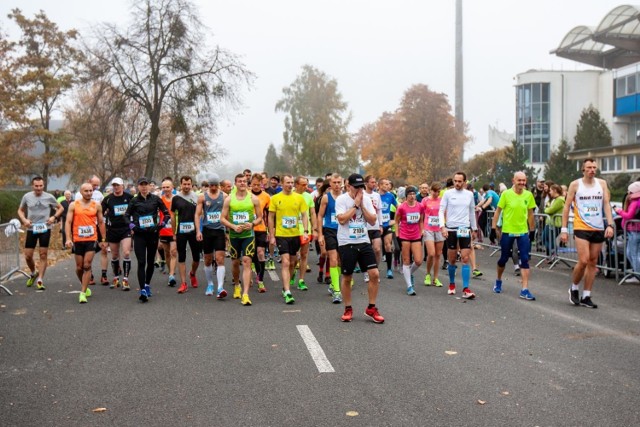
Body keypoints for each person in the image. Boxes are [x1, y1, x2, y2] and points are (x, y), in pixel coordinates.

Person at [561, 158, 614, 309]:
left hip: (597, 227)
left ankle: (586, 295)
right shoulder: (575, 184)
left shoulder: (601, 183)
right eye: (589, 167)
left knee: (592, 262)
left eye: (594, 167)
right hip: (581, 226)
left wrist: (609, 224)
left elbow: (606, 205)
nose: (592, 170)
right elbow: (566, 207)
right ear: (583, 169)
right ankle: (574, 287)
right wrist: (564, 229)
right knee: (583, 260)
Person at [336, 174, 384, 323]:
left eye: (360, 187)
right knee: (347, 277)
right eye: (356, 187)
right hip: (346, 242)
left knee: (374, 273)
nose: (359, 190)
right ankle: (348, 308)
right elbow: (342, 219)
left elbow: (373, 220)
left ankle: (371, 308)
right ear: (348, 186)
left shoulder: (367, 199)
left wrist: (362, 205)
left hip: (363, 240)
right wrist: (355, 205)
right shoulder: (341, 200)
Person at [491, 172, 536, 300]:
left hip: (522, 232)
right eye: (519, 180)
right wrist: (493, 228)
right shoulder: (506, 194)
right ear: (513, 181)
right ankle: (498, 280)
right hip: (507, 232)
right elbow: (498, 211)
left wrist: (532, 231)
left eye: (524, 180)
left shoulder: (528, 195)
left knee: (525, 259)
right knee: (503, 258)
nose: (522, 183)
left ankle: (525, 289)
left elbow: (531, 214)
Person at [125, 177, 171, 303]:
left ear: (150, 186)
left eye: (146, 185)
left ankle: (147, 284)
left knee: (150, 262)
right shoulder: (134, 201)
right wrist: (132, 226)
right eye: (141, 185)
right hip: (139, 234)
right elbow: (126, 216)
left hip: (152, 234)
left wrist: (161, 225)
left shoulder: (156, 199)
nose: (144, 187)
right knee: (141, 262)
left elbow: (167, 214)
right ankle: (142, 290)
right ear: (138, 187)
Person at [220, 174, 262, 305]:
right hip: (234, 236)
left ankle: (245, 294)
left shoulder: (253, 198)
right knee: (235, 263)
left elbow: (260, 217)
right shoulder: (229, 199)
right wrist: (233, 226)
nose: (242, 183)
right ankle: (237, 285)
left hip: (248, 235)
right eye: (240, 181)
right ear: (235, 184)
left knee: (247, 261)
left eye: (244, 181)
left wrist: (253, 224)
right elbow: (222, 218)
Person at [268, 174, 309, 304]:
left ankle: (286, 286)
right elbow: (270, 217)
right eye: (287, 182)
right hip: (281, 234)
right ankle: (287, 291)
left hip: (295, 234)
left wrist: (306, 231)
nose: (290, 185)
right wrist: (272, 234)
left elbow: (304, 215)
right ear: (282, 184)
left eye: (292, 182)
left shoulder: (299, 198)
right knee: (285, 262)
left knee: (292, 262)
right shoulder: (275, 198)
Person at [17, 176, 64, 290]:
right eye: (36, 186)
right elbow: (20, 210)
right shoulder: (27, 196)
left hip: (45, 228)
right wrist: (24, 220)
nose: (38, 188)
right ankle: (33, 273)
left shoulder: (49, 197)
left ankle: (40, 279)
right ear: (32, 186)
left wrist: (54, 217)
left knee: (43, 254)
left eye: (40, 186)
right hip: (31, 228)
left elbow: (61, 208)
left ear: (43, 185)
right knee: (28, 256)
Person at [65, 183, 107, 303]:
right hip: (78, 239)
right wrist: (68, 238)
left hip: (91, 239)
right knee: (79, 268)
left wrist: (103, 239)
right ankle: (84, 284)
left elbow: (101, 222)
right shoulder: (74, 205)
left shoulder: (97, 205)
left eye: (90, 191)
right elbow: (68, 222)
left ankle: (82, 293)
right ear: (81, 192)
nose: (89, 193)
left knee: (87, 265)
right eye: (86, 191)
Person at [439, 171, 477, 299]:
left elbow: (472, 212)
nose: (457, 183)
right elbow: (441, 210)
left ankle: (466, 288)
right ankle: (451, 284)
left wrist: (475, 228)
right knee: (452, 259)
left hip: (464, 228)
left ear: (464, 182)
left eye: (460, 181)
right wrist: (442, 226)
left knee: (465, 258)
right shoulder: (448, 194)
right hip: (451, 229)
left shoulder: (469, 195)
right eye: (455, 181)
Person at [195, 173, 229, 298]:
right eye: (211, 185)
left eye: (216, 185)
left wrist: (228, 231)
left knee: (220, 259)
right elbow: (197, 214)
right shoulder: (202, 197)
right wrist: (198, 231)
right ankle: (210, 284)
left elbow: (228, 214)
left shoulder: (224, 196)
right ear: (208, 185)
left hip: (219, 230)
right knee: (208, 260)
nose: (214, 187)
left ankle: (220, 287)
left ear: (219, 185)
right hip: (207, 231)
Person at [101, 177, 133, 290]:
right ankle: (116, 278)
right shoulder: (108, 199)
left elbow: (136, 210)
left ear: (122, 186)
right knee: (114, 255)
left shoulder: (129, 197)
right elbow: (100, 213)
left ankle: (125, 279)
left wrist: (133, 224)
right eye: (114, 185)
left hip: (125, 229)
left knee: (126, 252)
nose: (116, 187)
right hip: (113, 229)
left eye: (117, 185)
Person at [171, 176, 201, 294]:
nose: (187, 186)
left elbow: (201, 214)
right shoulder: (176, 198)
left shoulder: (197, 197)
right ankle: (183, 283)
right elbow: (173, 216)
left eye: (189, 184)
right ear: (181, 184)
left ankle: (192, 273)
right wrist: (174, 232)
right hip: (181, 231)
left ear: (192, 184)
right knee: (181, 256)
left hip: (194, 231)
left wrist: (200, 230)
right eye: (184, 184)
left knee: (196, 258)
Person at [317, 173, 343, 303]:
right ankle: (337, 292)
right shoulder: (326, 198)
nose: (337, 185)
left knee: (340, 260)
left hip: (343, 231)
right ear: (330, 184)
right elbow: (320, 216)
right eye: (334, 182)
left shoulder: (346, 197)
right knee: (332, 258)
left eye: (339, 182)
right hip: (330, 230)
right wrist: (320, 234)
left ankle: (334, 284)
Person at [396, 186, 425, 296]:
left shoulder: (420, 206)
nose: (412, 196)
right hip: (404, 235)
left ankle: (409, 273)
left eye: (414, 194)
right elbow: (396, 221)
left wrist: (422, 230)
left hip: (416, 235)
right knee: (406, 260)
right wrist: (397, 234)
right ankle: (409, 286)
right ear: (406, 196)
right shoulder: (402, 207)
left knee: (418, 261)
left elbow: (421, 220)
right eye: (410, 194)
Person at [249, 173, 270, 293]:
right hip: (249, 229)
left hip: (261, 228)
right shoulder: (247, 195)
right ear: (250, 184)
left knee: (260, 253)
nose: (256, 187)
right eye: (254, 184)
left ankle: (260, 280)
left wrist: (270, 231)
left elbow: (269, 215)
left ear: (261, 184)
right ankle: (255, 272)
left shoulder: (266, 197)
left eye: (258, 184)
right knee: (252, 254)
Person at [294, 176, 316, 290]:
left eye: (306, 185)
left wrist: (315, 229)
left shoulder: (308, 196)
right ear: (296, 185)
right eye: (303, 185)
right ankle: (292, 273)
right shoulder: (291, 195)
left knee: (304, 254)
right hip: (292, 230)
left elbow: (312, 213)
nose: (306, 187)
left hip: (305, 230)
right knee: (293, 257)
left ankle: (301, 280)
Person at [615, 181, 640, 281]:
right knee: (631, 253)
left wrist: (619, 211)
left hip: (634, 231)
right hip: (634, 231)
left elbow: (629, 216)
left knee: (633, 254)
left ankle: (637, 275)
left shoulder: (634, 203)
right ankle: (636, 272)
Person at [422, 182, 444, 287]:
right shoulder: (425, 200)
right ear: (431, 191)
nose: (437, 193)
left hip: (439, 229)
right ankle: (427, 274)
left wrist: (445, 227)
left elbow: (445, 214)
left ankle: (436, 278)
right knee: (431, 253)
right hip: (428, 228)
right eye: (435, 191)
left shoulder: (442, 200)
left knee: (438, 254)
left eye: (438, 191)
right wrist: (421, 228)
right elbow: (421, 214)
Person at [363, 175, 383, 283]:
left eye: (375, 182)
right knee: (366, 251)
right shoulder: (362, 194)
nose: (374, 184)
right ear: (366, 183)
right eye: (372, 182)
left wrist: (380, 225)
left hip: (375, 226)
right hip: (365, 227)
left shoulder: (377, 195)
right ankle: (366, 272)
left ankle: (375, 270)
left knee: (377, 249)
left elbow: (379, 211)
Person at [158, 179, 178, 287]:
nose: (166, 189)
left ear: (172, 188)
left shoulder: (176, 199)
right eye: (164, 187)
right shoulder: (160, 200)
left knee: (173, 252)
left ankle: (171, 275)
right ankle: (171, 273)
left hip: (174, 230)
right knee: (166, 253)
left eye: (167, 187)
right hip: (164, 230)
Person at [378, 178, 398, 279]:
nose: (387, 186)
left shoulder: (390, 196)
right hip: (376, 226)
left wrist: (395, 220)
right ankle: (374, 270)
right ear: (380, 185)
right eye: (385, 184)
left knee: (388, 246)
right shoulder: (375, 196)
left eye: (388, 184)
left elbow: (398, 208)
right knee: (376, 249)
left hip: (387, 225)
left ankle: (389, 269)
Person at [543, 184, 565, 261]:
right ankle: (551, 254)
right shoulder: (554, 199)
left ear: (555, 191)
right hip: (550, 222)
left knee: (550, 239)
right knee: (545, 238)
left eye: (551, 190)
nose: (550, 192)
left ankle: (553, 254)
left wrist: (547, 208)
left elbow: (550, 210)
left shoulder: (559, 200)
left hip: (555, 223)